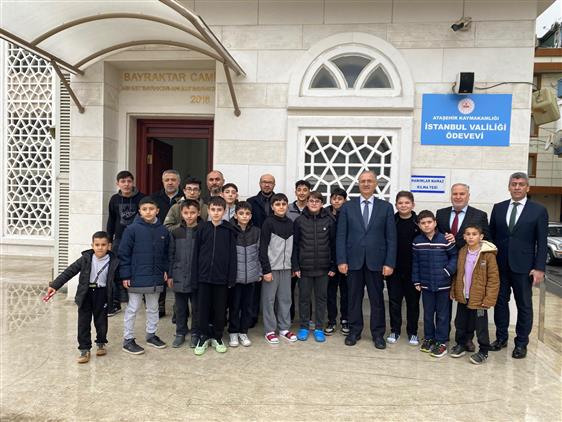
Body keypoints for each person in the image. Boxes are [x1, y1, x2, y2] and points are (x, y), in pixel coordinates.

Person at [489, 172, 548, 359]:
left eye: (521, 184)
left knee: (524, 305)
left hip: (525, 267)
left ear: (527, 187)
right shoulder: (498, 208)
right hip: (500, 266)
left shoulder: (538, 210)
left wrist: (539, 268)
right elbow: (491, 237)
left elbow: (542, 241)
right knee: (500, 303)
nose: (517, 187)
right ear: (509, 187)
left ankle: (521, 343)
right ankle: (501, 338)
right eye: (514, 184)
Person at [336, 171, 396, 349]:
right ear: (358, 184)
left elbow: (391, 238)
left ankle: (378, 334)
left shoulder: (386, 207)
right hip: (353, 261)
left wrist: (389, 262)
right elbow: (341, 235)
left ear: (376, 184)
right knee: (353, 298)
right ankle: (354, 331)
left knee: (377, 299)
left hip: (376, 262)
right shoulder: (347, 207)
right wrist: (341, 260)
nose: (366, 184)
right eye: (363, 181)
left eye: (370, 181)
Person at [48, 231, 119, 364]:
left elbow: (120, 279)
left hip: (102, 293)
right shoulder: (86, 258)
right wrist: (55, 285)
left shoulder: (114, 261)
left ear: (109, 246)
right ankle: (84, 349)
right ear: (92, 245)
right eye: (97, 245)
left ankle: (101, 343)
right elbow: (69, 271)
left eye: (103, 245)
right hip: (86, 293)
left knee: (101, 321)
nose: (100, 248)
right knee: (83, 323)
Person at [119, 197, 171, 355]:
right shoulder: (131, 229)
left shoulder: (163, 231)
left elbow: (167, 254)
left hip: (155, 277)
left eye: (151, 209)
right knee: (133, 308)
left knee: (153, 308)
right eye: (144, 209)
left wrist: (166, 270)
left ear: (157, 211)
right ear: (139, 211)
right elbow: (124, 254)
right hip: (136, 277)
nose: (148, 212)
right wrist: (126, 275)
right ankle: (128, 339)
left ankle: (151, 335)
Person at [191, 196, 237, 356]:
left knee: (220, 309)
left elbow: (232, 256)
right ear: (208, 211)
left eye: (219, 210)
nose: (216, 213)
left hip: (221, 278)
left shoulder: (229, 230)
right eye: (213, 210)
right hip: (203, 277)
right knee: (202, 308)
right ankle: (203, 336)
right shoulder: (202, 228)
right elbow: (196, 254)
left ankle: (217, 336)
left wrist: (231, 277)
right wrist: (195, 277)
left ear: (224, 211)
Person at [450, 224, 500, 365]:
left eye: (474, 234)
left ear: (481, 236)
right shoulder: (462, 251)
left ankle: (483, 351)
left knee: (480, 326)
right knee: (461, 322)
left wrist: (489, 298)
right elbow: (457, 274)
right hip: (463, 296)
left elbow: (493, 279)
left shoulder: (488, 254)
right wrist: (454, 290)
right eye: (468, 234)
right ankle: (461, 344)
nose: (471, 237)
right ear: (464, 237)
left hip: (479, 299)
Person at [412, 210, 457, 358]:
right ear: (419, 225)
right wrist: (416, 280)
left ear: (435, 223)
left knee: (443, 315)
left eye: (429, 222)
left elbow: (454, 257)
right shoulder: (417, 241)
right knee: (428, 314)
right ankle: (429, 338)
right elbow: (415, 262)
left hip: (443, 285)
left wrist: (447, 271)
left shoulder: (445, 239)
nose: (426, 225)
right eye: (423, 223)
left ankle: (441, 341)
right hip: (426, 285)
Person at [293, 191, 336, 343]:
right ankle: (304, 327)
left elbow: (333, 244)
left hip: (323, 269)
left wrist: (333, 266)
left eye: (317, 201)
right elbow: (295, 245)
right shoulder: (299, 221)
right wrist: (295, 266)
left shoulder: (329, 221)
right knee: (304, 298)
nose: (314, 203)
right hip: (304, 269)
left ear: (322, 204)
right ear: (307, 202)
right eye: (311, 201)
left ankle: (319, 328)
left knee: (321, 299)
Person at [259, 193, 297, 344]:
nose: (281, 207)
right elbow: (263, 247)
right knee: (269, 300)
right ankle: (269, 330)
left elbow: (294, 247)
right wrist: (266, 270)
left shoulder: (291, 223)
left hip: (286, 268)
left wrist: (293, 266)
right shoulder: (268, 223)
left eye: (283, 204)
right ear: (272, 207)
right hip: (272, 268)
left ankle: (284, 328)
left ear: (287, 206)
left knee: (285, 299)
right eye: (277, 204)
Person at [106, 170, 144, 316]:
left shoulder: (142, 198)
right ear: (118, 183)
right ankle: (116, 301)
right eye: (123, 181)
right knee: (116, 270)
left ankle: (140, 298)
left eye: (129, 181)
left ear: (133, 182)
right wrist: (109, 240)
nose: (126, 184)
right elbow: (111, 220)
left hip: (137, 239)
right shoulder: (114, 199)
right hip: (119, 239)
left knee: (137, 268)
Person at [386, 191, 421, 346]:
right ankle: (395, 330)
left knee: (413, 303)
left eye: (407, 202)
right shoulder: (391, 221)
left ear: (413, 204)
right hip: (394, 270)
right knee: (394, 302)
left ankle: (412, 332)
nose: (403, 205)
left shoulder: (419, 222)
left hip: (414, 271)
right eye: (400, 203)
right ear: (396, 205)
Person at [228, 201, 262, 347]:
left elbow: (260, 253)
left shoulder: (256, 231)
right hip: (235, 278)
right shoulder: (230, 230)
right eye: (241, 213)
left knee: (247, 307)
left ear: (251, 216)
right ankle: (233, 332)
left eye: (247, 214)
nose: (244, 216)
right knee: (234, 306)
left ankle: (243, 332)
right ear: (236, 215)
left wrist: (259, 272)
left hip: (251, 277)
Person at [168, 200, 201, 349]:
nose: (189, 216)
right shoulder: (176, 232)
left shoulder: (202, 231)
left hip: (197, 276)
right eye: (186, 213)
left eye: (192, 212)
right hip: (179, 275)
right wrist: (170, 275)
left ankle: (195, 333)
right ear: (181, 213)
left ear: (198, 213)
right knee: (180, 308)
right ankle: (180, 332)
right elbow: (171, 254)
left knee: (197, 307)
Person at [151, 169, 183, 318]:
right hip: (159, 240)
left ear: (179, 182)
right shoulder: (154, 198)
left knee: (177, 273)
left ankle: (179, 308)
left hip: (179, 240)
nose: (170, 182)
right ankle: (160, 305)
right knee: (160, 272)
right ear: (163, 182)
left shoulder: (184, 198)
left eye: (173, 180)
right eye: (167, 180)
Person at [247, 173, 276, 326]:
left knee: (273, 284)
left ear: (274, 185)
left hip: (275, 245)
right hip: (255, 244)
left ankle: (273, 318)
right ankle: (252, 316)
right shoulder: (251, 202)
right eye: (264, 182)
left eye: (270, 182)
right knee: (255, 283)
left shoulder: (279, 201)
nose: (267, 184)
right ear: (260, 184)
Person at [325, 187, 349, 336]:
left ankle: (345, 319)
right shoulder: (324, 213)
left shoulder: (349, 213)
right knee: (330, 293)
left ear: (344, 200)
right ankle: (331, 320)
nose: (336, 201)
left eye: (340, 199)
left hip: (345, 260)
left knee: (346, 293)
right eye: (334, 198)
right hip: (329, 261)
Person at [287, 180, 312, 321]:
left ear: (309, 192)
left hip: (307, 255)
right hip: (290, 254)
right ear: (295, 191)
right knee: (288, 290)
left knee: (306, 291)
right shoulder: (287, 209)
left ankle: (307, 318)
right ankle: (289, 317)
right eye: (299, 190)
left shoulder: (313, 208)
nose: (302, 193)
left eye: (305, 190)